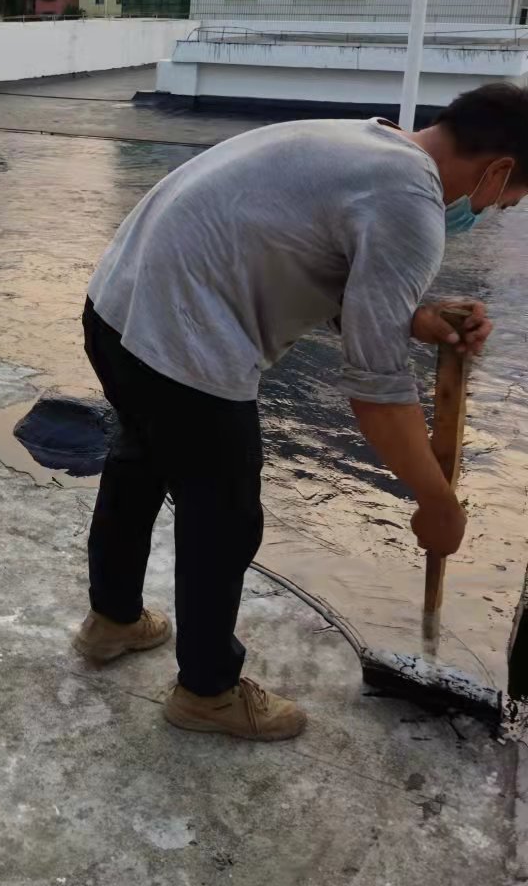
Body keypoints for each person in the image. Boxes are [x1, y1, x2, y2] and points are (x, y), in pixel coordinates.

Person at [73, 82, 528, 740]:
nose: (491, 213)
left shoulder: (371, 141)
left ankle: (111, 621)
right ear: (498, 170)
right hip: (182, 337)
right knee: (223, 515)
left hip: (115, 307)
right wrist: (436, 501)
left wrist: (417, 320)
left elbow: (321, 265)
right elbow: (376, 389)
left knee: (141, 458)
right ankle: (207, 691)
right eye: (505, 205)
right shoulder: (414, 203)